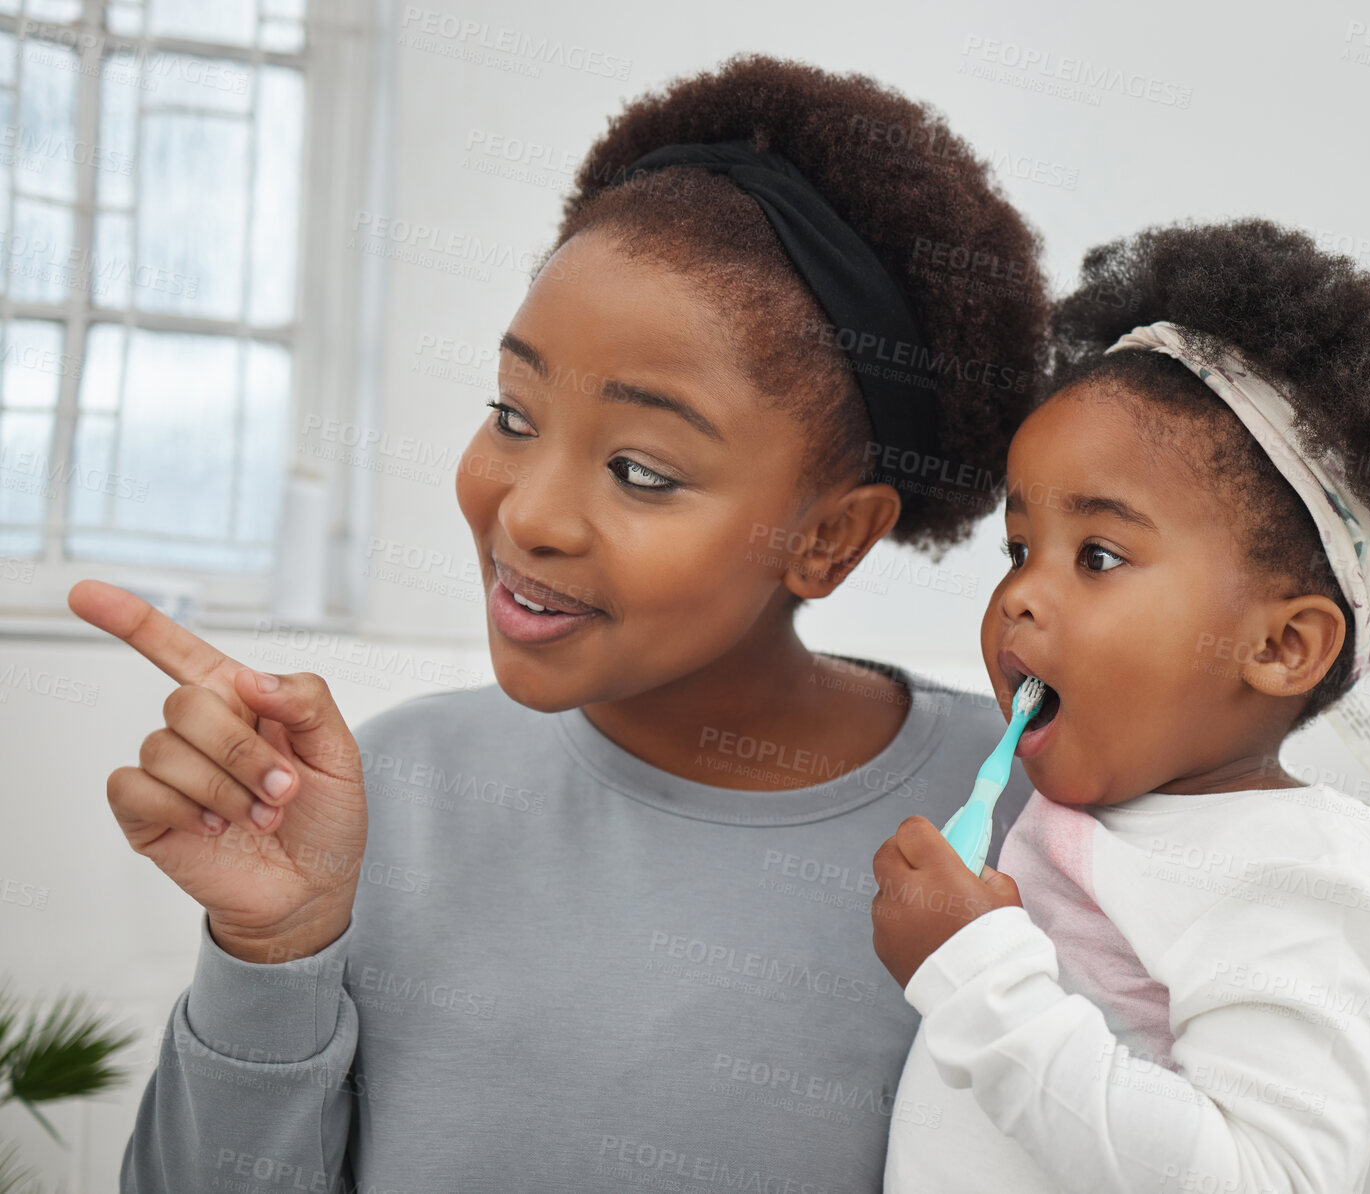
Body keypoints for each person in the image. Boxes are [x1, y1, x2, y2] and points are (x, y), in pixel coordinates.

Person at [77, 54, 1050, 1191]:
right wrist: (272, 951)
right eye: (511, 412)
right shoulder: (379, 795)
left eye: (640, 470)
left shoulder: (1022, 829)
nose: (528, 513)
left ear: (827, 538)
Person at [870, 218, 1370, 1192]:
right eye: (1018, 549)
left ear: (1278, 646)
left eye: (1097, 556)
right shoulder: (1093, 807)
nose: (1018, 594)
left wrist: (974, 975)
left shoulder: (1298, 890)